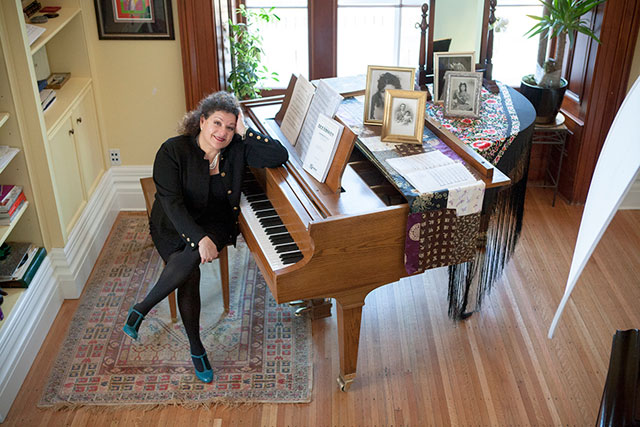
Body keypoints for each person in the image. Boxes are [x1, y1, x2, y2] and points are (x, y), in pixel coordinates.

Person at [123, 91, 288, 383]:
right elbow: (172, 205)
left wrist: (246, 132)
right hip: (172, 223)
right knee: (189, 270)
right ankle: (197, 348)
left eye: (229, 126)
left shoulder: (237, 146)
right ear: (201, 121)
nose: (222, 132)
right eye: (216, 123)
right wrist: (199, 239)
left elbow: (279, 155)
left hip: (217, 220)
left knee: (188, 263)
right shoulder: (172, 151)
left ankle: (141, 309)